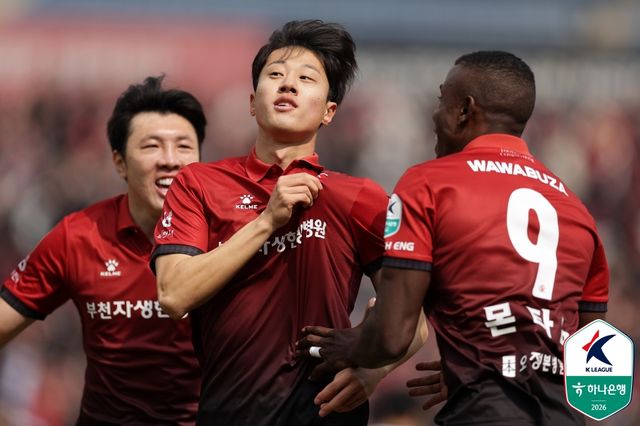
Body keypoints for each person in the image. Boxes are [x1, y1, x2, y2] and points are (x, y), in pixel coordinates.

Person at [298, 51, 609, 425]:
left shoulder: (429, 184)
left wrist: (344, 345)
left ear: (464, 110)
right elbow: (597, 377)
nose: (434, 115)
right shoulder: (577, 212)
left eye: (441, 99)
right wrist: (486, 367)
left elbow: (392, 337)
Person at [152, 19, 427, 426]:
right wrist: (267, 221)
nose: (288, 85)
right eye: (275, 75)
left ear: (329, 111)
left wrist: (372, 374)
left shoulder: (359, 197)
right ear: (252, 102)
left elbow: (414, 318)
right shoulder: (200, 183)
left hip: (325, 415)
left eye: (306, 78)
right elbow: (174, 294)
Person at [0, 75, 206, 425]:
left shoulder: (233, 235)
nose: (170, 160)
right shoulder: (78, 236)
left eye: (184, 146)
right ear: (119, 162)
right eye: (152, 146)